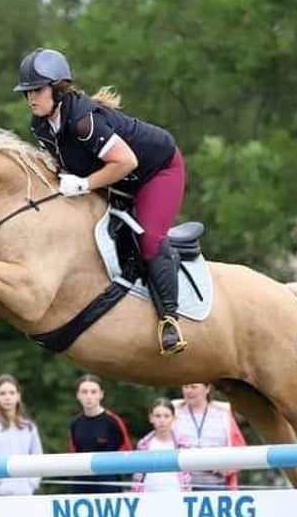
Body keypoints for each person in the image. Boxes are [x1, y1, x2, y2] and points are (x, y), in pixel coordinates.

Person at [14, 47, 188, 355]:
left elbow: (126, 162)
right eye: (27, 92)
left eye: (36, 90)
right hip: (116, 178)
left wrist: (83, 183)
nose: (30, 98)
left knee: (147, 236)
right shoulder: (40, 125)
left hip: (156, 171)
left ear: (57, 88)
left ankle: (170, 319)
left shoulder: (83, 121)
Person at [0, 374, 43, 496]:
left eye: (12, 393)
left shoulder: (29, 427)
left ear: (18, 396)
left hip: (24, 495)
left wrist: (31, 484)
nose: (7, 397)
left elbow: (38, 458)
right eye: (3, 393)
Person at [173, 383, 246, 491]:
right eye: (185, 387)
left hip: (216, 485)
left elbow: (241, 450)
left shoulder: (223, 414)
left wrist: (228, 467)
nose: (188, 391)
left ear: (207, 389)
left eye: (193, 387)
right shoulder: (174, 413)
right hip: (181, 487)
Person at [68, 374, 132, 493]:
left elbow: (127, 453)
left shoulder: (112, 422)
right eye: (84, 392)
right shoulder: (75, 423)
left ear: (101, 394)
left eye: (93, 392)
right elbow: (73, 453)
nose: (89, 396)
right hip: (81, 483)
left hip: (108, 483)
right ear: (78, 395)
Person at [131, 398, 191, 492]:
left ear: (173, 418)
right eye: (158, 416)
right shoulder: (144, 445)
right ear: (151, 418)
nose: (162, 420)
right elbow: (138, 476)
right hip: (148, 494)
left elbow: (187, 474)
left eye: (166, 416)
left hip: (176, 494)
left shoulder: (183, 444)